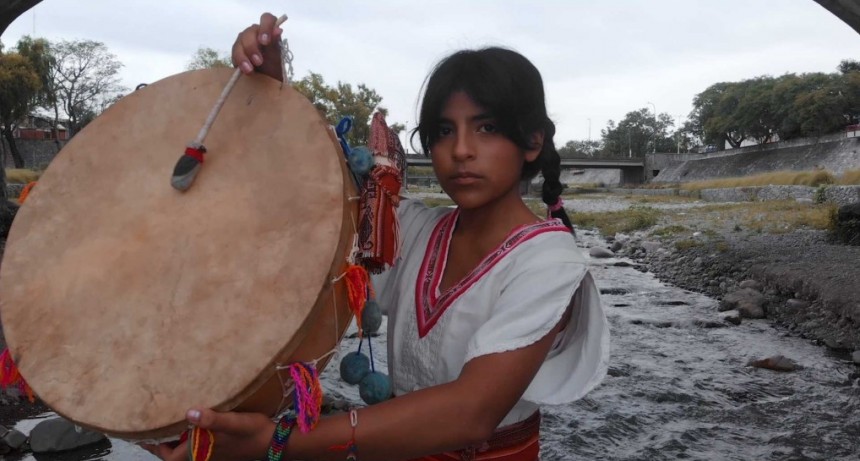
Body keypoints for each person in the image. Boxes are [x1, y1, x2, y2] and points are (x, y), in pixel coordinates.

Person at [148, 12, 609, 461]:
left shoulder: (551, 261)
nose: (461, 150)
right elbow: (307, 198)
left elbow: (471, 413)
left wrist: (276, 445)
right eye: (444, 131)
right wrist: (268, 89)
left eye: (486, 128)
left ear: (532, 141)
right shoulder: (409, 227)